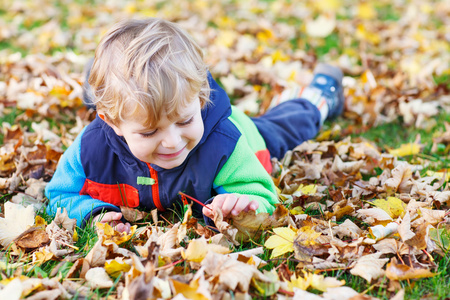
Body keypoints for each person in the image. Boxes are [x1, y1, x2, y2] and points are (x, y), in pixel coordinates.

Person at [45, 18, 344, 232]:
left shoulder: (225, 144)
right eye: (150, 131)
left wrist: (241, 203)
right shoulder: (90, 150)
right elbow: (59, 196)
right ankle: (103, 82)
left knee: (291, 123)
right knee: (120, 92)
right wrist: (91, 213)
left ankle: (320, 92)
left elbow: (263, 196)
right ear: (111, 123)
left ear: (200, 100)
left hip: (249, 132)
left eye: (184, 120)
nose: (173, 142)